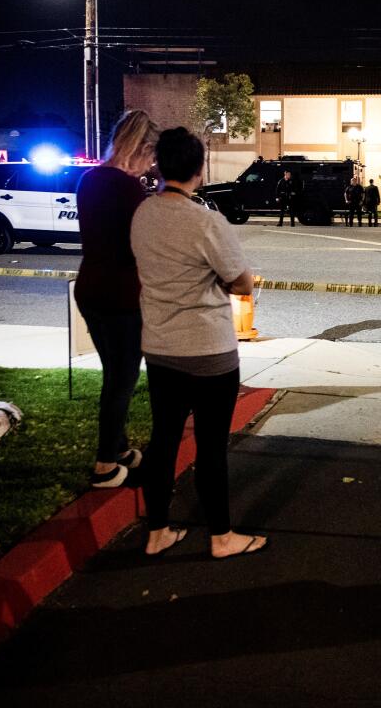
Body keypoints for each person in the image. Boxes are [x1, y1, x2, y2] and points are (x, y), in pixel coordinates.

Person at [130, 127, 267, 559]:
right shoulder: (207, 221)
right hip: (208, 351)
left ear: (159, 165)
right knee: (210, 447)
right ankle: (222, 537)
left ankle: (157, 532)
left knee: (164, 439)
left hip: (160, 348)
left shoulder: (142, 215)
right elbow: (242, 283)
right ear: (199, 169)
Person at [75, 109, 159, 488]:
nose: (152, 163)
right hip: (121, 294)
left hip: (91, 288)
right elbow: (140, 245)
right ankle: (106, 463)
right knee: (121, 380)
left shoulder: (89, 179)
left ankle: (119, 447)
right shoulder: (127, 188)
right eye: (150, 154)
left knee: (115, 374)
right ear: (139, 147)